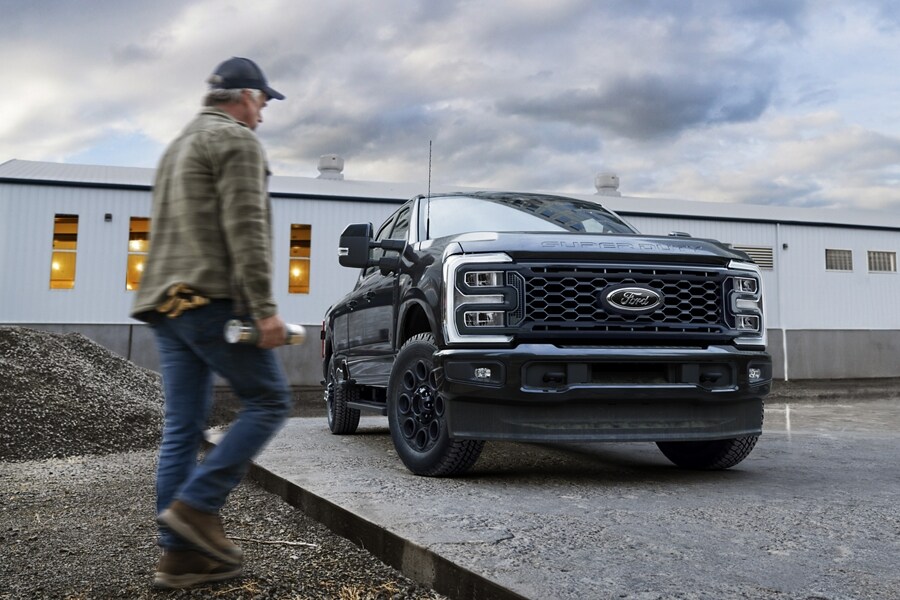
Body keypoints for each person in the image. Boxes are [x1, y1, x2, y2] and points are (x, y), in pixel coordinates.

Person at [131, 56, 291, 589]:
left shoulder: (177, 147)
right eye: (263, 103)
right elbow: (246, 229)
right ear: (245, 96)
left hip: (164, 303)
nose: (263, 116)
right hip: (207, 300)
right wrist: (263, 310)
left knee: (182, 426)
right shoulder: (237, 141)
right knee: (270, 400)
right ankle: (198, 507)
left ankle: (180, 558)